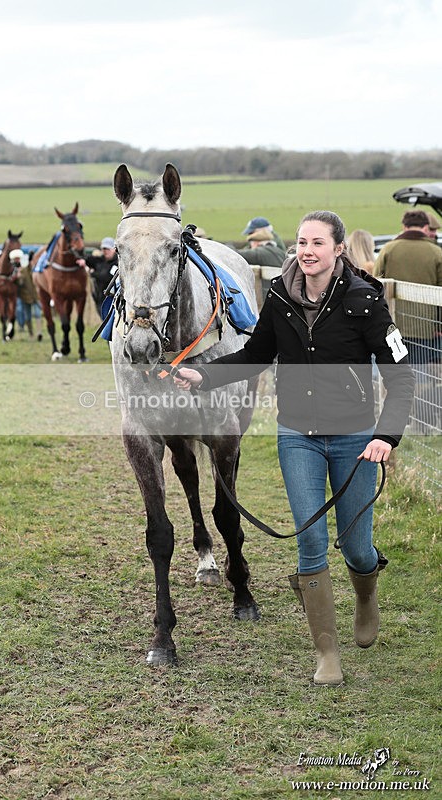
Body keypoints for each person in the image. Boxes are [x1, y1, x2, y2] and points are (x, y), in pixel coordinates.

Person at [174, 210, 415, 686]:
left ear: (338, 250)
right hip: (297, 436)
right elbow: (256, 354)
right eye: (302, 242)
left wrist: (386, 436)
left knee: (357, 547)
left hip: (356, 439)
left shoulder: (365, 301)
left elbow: (400, 377)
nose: (306, 250)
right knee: (310, 540)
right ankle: (327, 654)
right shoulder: (281, 295)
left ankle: (366, 594)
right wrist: (205, 376)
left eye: (318, 243)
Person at [374, 209, 442, 430]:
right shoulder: (436, 253)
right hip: (427, 329)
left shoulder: (388, 249)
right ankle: (422, 422)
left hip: (392, 328)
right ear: (425, 228)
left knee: (396, 376)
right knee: (421, 377)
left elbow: (375, 287)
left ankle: (398, 421)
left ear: (404, 226)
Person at [80, 236, 118, 318]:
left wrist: (91, 273)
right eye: (104, 249)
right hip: (99, 299)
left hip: (111, 300)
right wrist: (84, 261)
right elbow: (90, 260)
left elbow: (106, 277)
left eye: (108, 249)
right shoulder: (102, 260)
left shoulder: (117, 264)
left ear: (114, 249)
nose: (105, 251)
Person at [16, 251, 42, 340]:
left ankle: (39, 333)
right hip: (26, 297)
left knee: (38, 314)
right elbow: (20, 284)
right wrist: (18, 277)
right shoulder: (23, 271)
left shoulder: (37, 270)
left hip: (36, 296)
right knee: (28, 316)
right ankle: (31, 334)